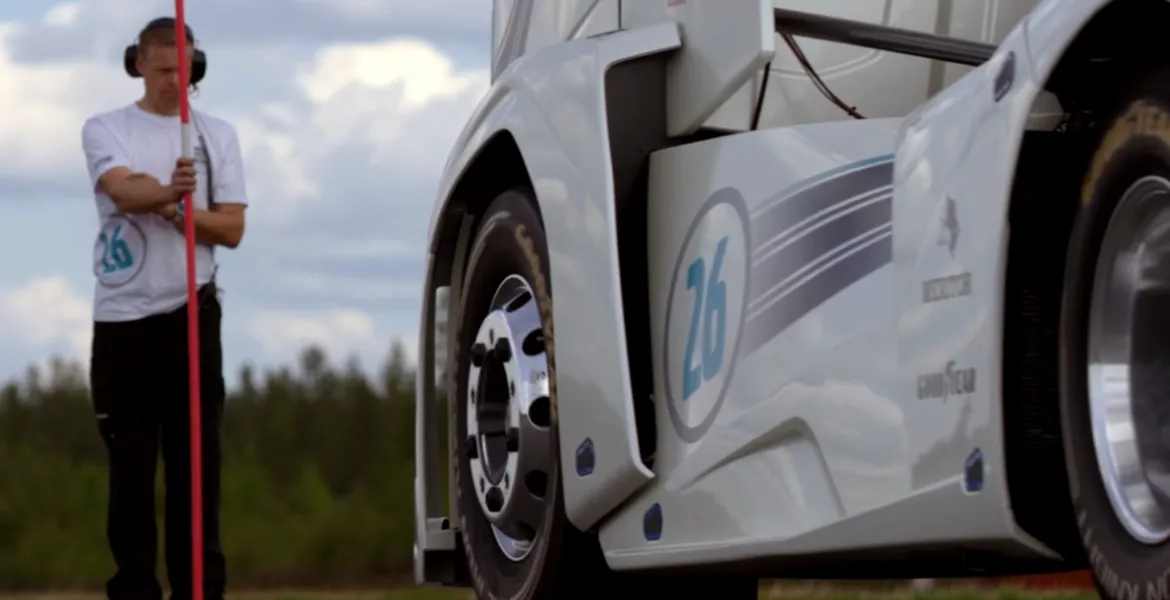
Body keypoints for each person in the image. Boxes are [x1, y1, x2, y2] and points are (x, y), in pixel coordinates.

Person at [80, 16, 247, 600]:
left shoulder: (214, 135)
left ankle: (200, 589)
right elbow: (123, 190)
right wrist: (169, 192)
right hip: (124, 322)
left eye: (187, 69)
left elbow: (231, 228)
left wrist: (178, 212)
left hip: (192, 317)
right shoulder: (106, 128)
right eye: (165, 69)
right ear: (139, 65)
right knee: (131, 471)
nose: (177, 81)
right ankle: (134, 589)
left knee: (196, 471)